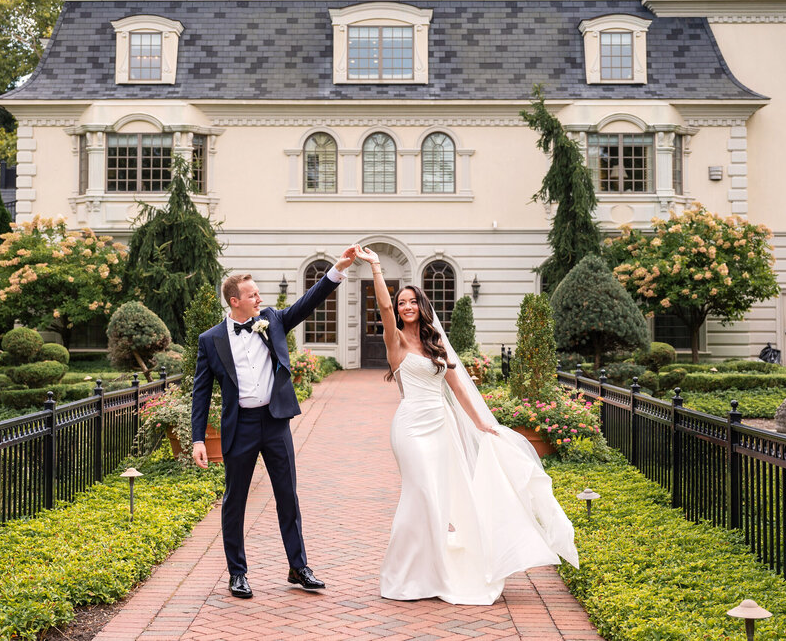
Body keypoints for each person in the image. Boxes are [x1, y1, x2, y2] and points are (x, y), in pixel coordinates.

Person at [354, 245, 579, 605]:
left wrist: (481, 424)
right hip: (411, 426)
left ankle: (438, 570)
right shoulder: (394, 341)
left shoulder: (435, 342)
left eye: (412, 302)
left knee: (442, 497)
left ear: (422, 306)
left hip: (441, 426)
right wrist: (377, 268)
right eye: (402, 304)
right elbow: (381, 306)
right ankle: (407, 574)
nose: (406, 307)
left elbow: (458, 388)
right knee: (422, 494)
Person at [191, 246, 357, 599]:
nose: (259, 298)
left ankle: (298, 568)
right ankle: (238, 574)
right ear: (235, 301)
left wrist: (337, 270)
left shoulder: (272, 319)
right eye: (252, 295)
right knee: (234, 501)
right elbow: (201, 393)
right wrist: (197, 439)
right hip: (240, 427)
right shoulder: (211, 340)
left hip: (275, 421)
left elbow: (306, 303)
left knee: (287, 497)